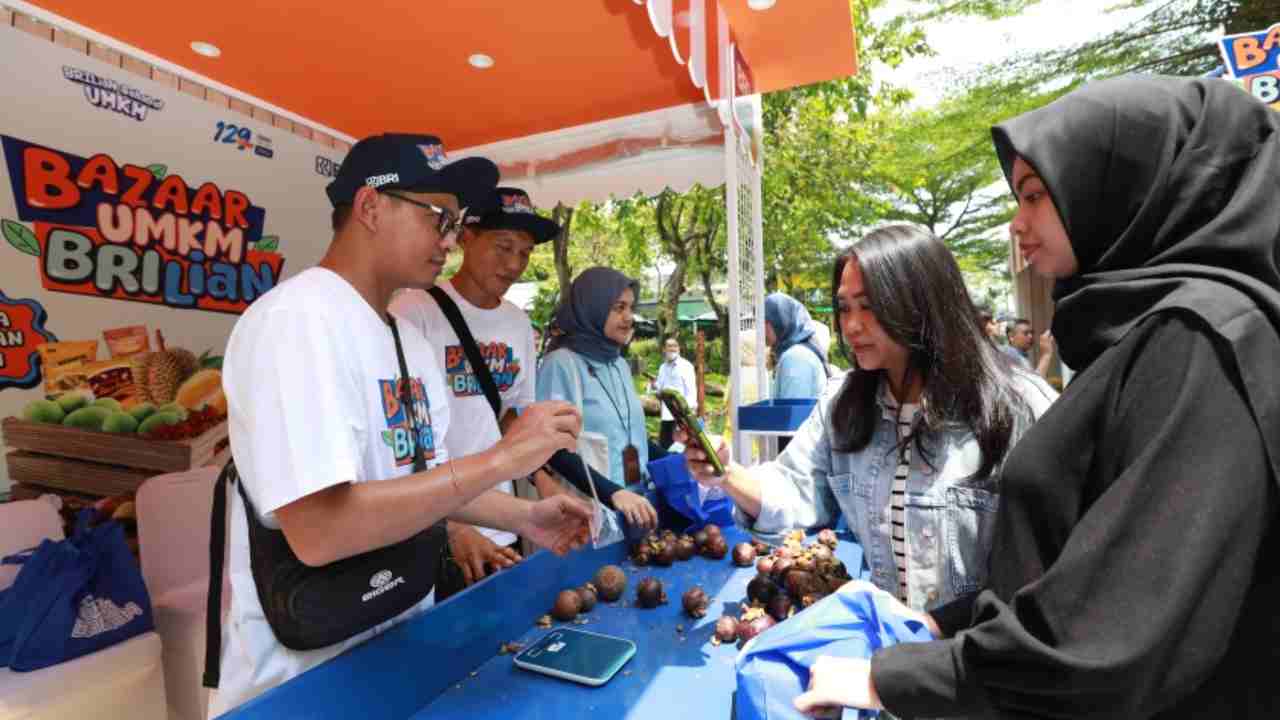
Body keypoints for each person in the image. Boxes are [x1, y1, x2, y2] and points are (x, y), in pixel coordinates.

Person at [791, 76, 1280, 719]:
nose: (1018, 226)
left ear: (1124, 189)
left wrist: (892, 679)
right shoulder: (1148, 336)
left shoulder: (1196, 344)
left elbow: (1104, 639)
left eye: (1035, 196)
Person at [210, 135, 591, 716]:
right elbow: (319, 531)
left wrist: (523, 516)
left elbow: (430, 479)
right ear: (370, 207)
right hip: (306, 674)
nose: (448, 239)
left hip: (399, 638)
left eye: (455, 221)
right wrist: (503, 459)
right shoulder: (297, 321)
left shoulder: (404, 337)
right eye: (437, 217)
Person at [686, 224, 1056, 611]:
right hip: (891, 655)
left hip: (985, 660)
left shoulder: (1018, 406)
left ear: (922, 302)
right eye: (844, 308)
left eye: (870, 306)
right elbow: (795, 486)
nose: (852, 326)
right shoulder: (843, 404)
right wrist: (726, 475)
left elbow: (1055, 565)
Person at [390, 186, 565, 596]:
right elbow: (399, 440)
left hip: (502, 524)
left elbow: (510, 417)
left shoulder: (517, 323)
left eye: (524, 252)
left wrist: (544, 480)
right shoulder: (414, 310)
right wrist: (450, 523)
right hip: (432, 530)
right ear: (465, 237)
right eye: (503, 246)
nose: (514, 264)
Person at [536, 267, 659, 529]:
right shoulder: (561, 364)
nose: (629, 317)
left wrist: (679, 459)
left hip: (635, 510)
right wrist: (612, 492)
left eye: (630, 308)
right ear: (591, 307)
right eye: (618, 307)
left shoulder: (619, 364)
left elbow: (630, 433)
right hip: (585, 516)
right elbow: (552, 450)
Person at [764, 292, 827, 400]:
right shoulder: (798, 353)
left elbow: (793, 414)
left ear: (780, 322)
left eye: (766, 321)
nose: (761, 329)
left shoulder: (795, 358)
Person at [650, 336, 696, 449]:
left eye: (674, 346)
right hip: (666, 413)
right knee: (664, 446)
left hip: (681, 414)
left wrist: (687, 413)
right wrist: (653, 385)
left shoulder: (686, 366)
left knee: (681, 447)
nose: (672, 349)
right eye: (669, 346)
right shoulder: (662, 367)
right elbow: (659, 387)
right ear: (664, 349)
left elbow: (691, 391)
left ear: (679, 349)